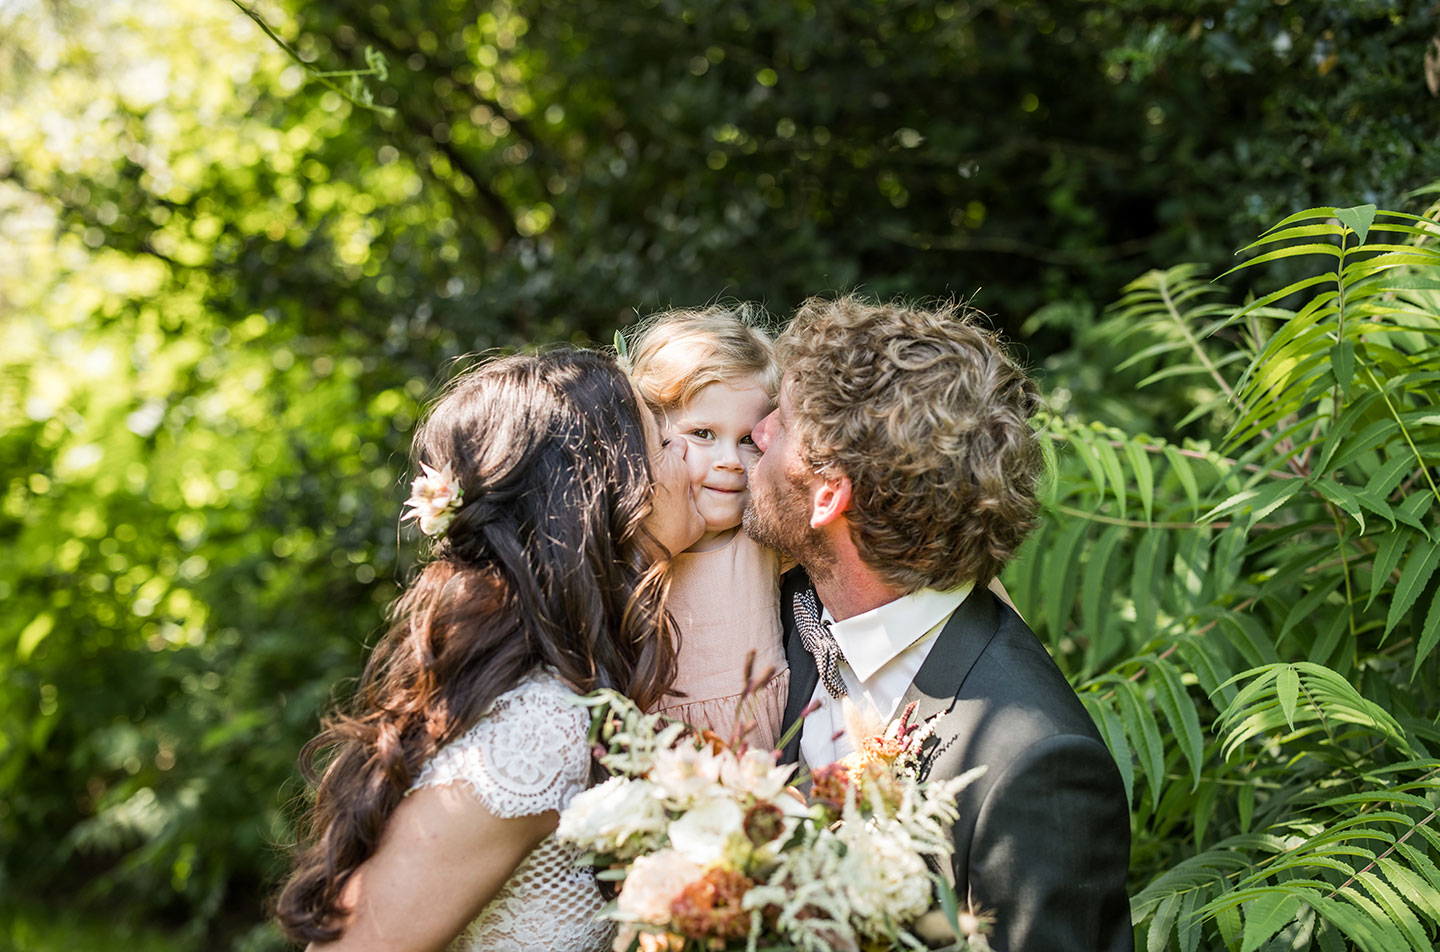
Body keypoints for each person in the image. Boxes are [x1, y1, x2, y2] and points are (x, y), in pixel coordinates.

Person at [274, 348, 704, 952]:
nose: (687, 450)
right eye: (661, 440)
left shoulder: (582, 681)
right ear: (601, 489)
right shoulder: (539, 729)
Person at [747, 296, 1133, 952]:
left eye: (780, 424)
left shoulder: (1033, 763)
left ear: (828, 495)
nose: (757, 433)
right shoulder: (783, 616)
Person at [623, 306, 790, 747]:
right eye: (702, 434)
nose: (730, 461)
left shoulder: (768, 538)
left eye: (747, 440)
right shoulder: (627, 549)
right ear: (651, 430)